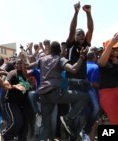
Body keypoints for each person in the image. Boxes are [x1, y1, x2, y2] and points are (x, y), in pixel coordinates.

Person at [28, 41, 89, 141]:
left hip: (43, 95)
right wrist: (81, 57)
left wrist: (23, 60)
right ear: (59, 50)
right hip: (55, 93)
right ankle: (68, 118)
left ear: (50, 50)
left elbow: (28, 66)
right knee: (84, 97)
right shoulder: (60, 59)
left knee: (46, 123)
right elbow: (73, 69)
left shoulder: (42, 59)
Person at [66, 2, 94, 140]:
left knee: (92, 108)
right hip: (73, 83)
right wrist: (76, 12)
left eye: (82, 34)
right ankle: (73, 137)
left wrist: (88, 13)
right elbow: (72, 30)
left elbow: (90, 29)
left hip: (84, 83)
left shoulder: (86, 45)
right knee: (75, 113)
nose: (81, 35)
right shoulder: (71, 44)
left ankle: (84, 133)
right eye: (79, 34)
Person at [2, 58, 31, 141]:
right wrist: (14, 86)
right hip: (11, 102)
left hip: (23, 103)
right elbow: (6, 83)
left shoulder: (27, 74)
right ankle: (6, 136)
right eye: (17, 64)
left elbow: (29, 86)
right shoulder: (12, 73)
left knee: (24, 125)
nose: (18, 65)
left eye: (20, 63)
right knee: (17, 122)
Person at [98, 33, 118, 124]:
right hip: (108, 94)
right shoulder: (104, 61)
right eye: (113, 49)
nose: (115, 51)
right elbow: (101, 63)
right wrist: (112, 42)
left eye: (116, 48)